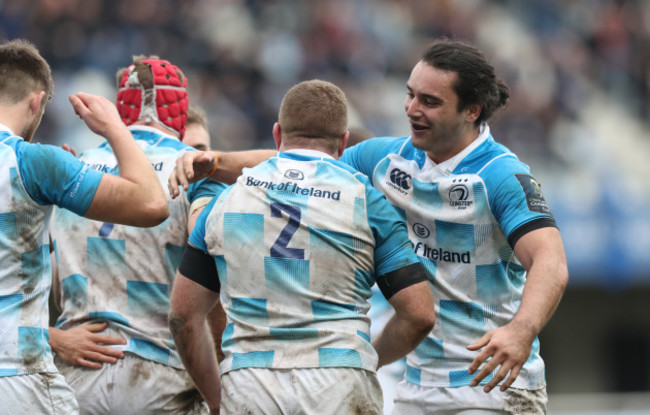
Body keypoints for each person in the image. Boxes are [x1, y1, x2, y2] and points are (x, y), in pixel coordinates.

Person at [168, 38, 569, 414]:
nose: (412, 109)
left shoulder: (500, 175)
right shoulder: (388, 159)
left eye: (430, 101)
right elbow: (301, 160)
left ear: (472, 110)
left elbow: (549, 260)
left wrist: (521, 330)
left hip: (490, 387)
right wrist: (217, 162)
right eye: (410, 94)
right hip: (417, 388)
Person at [168, 79, 435, 414]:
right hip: (339, 380)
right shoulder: (367, 200)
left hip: (251, 383)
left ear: (278, 134)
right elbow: (420, 316)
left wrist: (216, 398)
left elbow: (183, 315)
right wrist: (364, 359)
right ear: (343, 143)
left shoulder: (225, 201)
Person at [48, 55, 226, 415]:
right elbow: (212, 250)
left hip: (79, 374)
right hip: (162, 374)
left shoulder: (72, 167)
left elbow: (46, 279)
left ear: (119, 106)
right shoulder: (194, 169)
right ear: (180, 108)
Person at [0, 39, 168, 415]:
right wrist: (114, 129)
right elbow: (152, 204)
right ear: (35, 102)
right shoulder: (36, 162)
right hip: (17, 379)